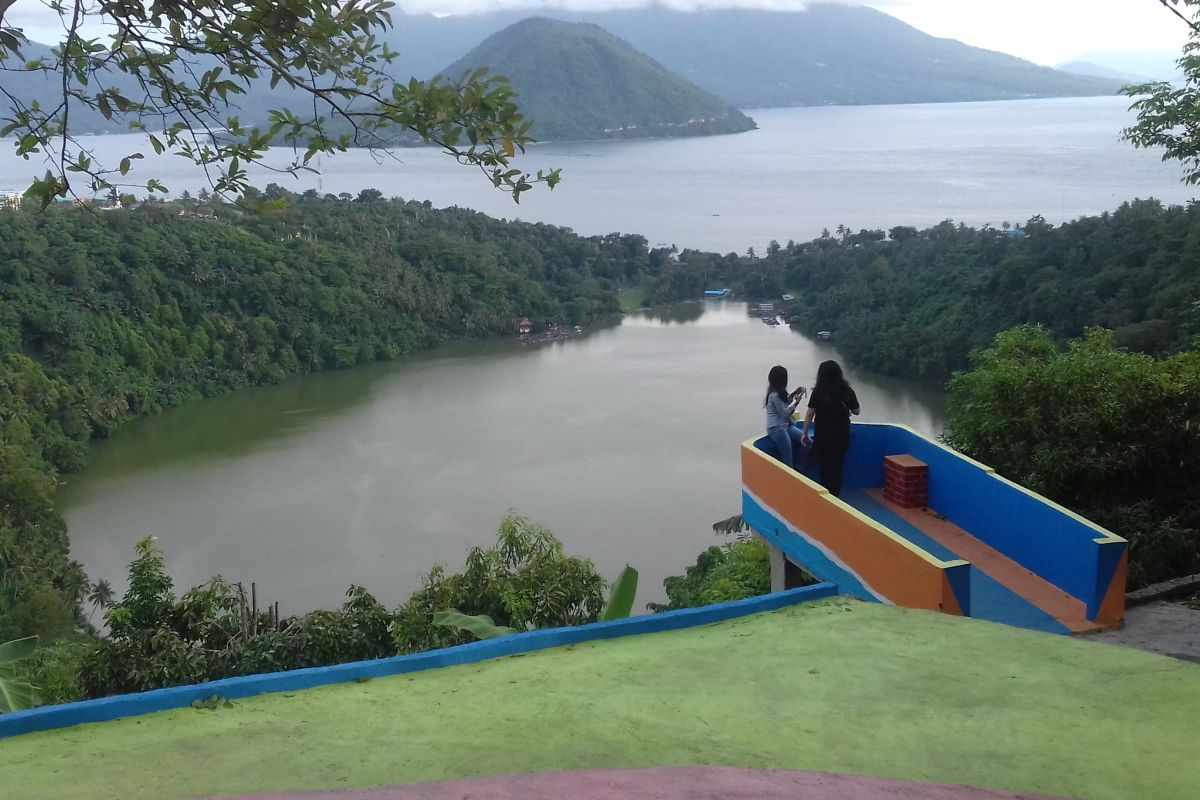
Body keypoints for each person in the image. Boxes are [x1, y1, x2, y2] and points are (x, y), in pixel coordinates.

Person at [801, 360, 860, 496]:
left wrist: (804, 433)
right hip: (842, 434)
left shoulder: (818, 392)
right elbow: (857, 411)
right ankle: (835, 496)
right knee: (837, 465)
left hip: (823, 434)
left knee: (824, 465)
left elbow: (810, 413)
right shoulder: (847, 391)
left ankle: (826, 495)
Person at [764, 365, 807, 470]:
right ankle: (792, 476)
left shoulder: (777, 393)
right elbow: (784, 415)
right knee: (788, 462)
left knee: (807, 442)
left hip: (785, 426)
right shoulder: (774, 395)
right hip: (777, 429)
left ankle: (799, 466)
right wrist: (796, 403)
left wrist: (795, 393)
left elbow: (785, 401)